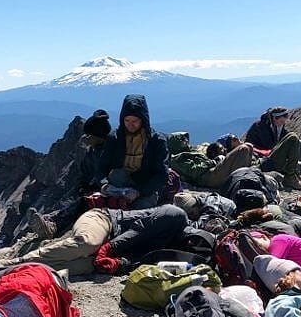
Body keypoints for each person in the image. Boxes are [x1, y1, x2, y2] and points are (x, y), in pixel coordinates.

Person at [14, 110, 114, 246]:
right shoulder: (95, 150)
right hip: (95, 189)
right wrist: (84, 185)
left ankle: (52, 226)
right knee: (76, 201)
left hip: (107, 192)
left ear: (98, 135)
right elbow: (86, 172)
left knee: (81, 204)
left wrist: (95, 186)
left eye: (89, 135)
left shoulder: (109, 151)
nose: (85, 138)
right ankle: (52, 219)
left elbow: (106, 175)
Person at [11, 204, 188, 276]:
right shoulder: (176, 215)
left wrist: (119, 263)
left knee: (84, 266)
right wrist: (109, 248)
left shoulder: (172, 252)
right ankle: (18, 260)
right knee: (88, 244)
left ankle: (17, 270)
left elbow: (140, 258)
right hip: (104, 220)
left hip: (113, 242)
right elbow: (139, 229)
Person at [98, 94, 169, 208]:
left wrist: (139, 192)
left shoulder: (156, 141)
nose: (130, 125)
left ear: (143, 119)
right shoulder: (114, 138)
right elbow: (101, 167)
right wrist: (104, 185)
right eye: (127, 120)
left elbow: (162, 175)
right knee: (117, 174)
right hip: (118, 185)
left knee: (137, 212)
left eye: (135, 121)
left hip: (145, 187)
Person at [243, 107, 301, 190]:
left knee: (299, 141)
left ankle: (294, 174)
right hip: (263, 158)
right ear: (274, 118)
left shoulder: (278, 127)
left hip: (270, 156)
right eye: (281, 121)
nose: (283, 123)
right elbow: (256, 145)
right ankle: (290, 177)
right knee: (293, 138)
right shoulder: (260, 127)